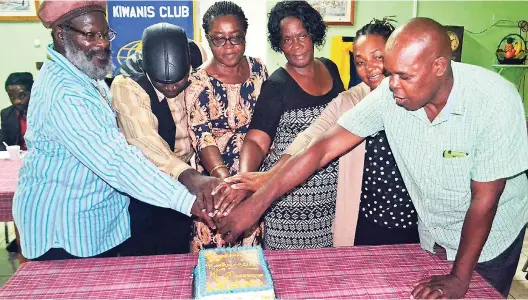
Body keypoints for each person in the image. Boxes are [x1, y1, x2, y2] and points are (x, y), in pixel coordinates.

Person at [217, 17, 528, 299]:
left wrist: (460, 277)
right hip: (434, 234)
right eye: (390, 73)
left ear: (439, 67)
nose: (391, 85)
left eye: (404, 76)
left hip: (490, 241)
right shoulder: (391, 95)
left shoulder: (494, 102)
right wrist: (255, 205)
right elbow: (321, 148)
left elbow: (484, 201)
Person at [13, 0, 215, 261]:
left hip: (94, 226)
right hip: (64, 234)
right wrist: (189, 201)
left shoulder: (84, 74)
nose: (102, 43)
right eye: (90, 35)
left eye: (105, 34)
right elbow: (116, 161)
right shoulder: (65, 93)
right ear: (61, 35)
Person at [227, 18, 419, 247]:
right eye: (360, 61)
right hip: (366, 221)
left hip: (418, 224)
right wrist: (266, 181)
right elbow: (310, 140)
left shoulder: (418, 98)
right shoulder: (352, 100)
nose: (370, 68)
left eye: (378, 57)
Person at [234, 1, 344, 250]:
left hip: (334, 202)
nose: (296, 46)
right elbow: (256, 140)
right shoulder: (277, 84)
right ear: (279, 44)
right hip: (292, 206)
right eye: (287, 40)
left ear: (313, 34)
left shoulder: (331, 68)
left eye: (302, 36)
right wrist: (246, 182)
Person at [111, 23, 219, 256]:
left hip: (187, 176)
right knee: (146, 250)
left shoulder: (198, 55)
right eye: (162, 83)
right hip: (147, 179)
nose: (171, 87)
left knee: (179, 247)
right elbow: (144, 141)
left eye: (179, 81)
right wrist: (189, 175)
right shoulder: (128, 83)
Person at [185, 1, 268, 252]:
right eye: (219, 39)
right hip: (215, 184)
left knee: (250, 261)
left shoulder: (259, 69)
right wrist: (229, 187)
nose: (228, 47)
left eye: (235, 38)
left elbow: (266, 121)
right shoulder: (197, 81)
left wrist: (246, 185)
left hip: (252, 176)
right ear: (208, 40)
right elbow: (202, 138)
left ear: (245, 35)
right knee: (215, 257)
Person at [1, 72, 33, 151]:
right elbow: (3, 142)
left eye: (22, 95)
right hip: (18, 159)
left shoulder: (43, 112)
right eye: (11, 96)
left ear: (32, 92)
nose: (17, 101)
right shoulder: (7, 114)